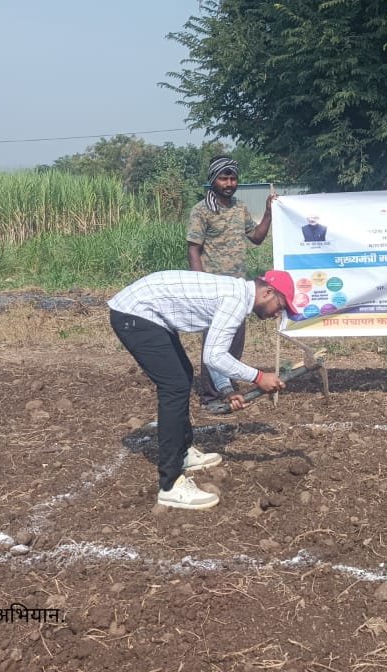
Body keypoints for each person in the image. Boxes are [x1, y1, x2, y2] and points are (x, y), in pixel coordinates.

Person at [108, 270, 298, 509]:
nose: (278, 314)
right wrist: (258, 377)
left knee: (182, 377)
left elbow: (214, 353)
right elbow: (214, 356)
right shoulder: (236, 302)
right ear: (267, 292)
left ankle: (184, 452)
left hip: (145, 312)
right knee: (174, 387)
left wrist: (226, 388)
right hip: (134, 313)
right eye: (280, 306)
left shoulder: (238, 295)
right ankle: (170, 485)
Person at [187, 156, 277, 413]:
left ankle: (225, 387)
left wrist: (269, 213)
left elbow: (256, 238)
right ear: (212, 180)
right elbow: (194, 250)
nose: (229, 183)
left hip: (240, 290)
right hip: (213, 289)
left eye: (233, 178)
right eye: (223, 178)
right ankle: (211, 395)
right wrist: (200, 284)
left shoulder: (240, 208)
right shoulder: (201, 211)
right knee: (214, 342)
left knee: (234, 341)